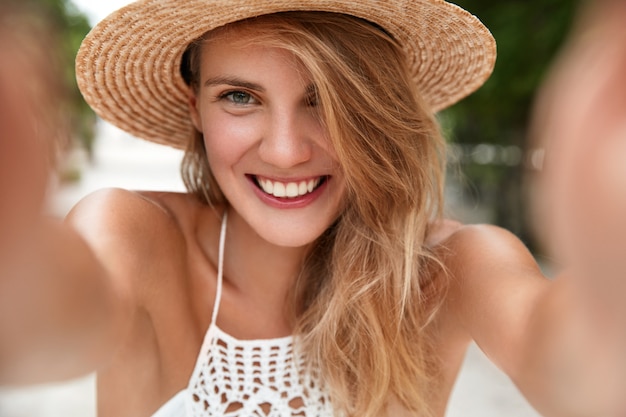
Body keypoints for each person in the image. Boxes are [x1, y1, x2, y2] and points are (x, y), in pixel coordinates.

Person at [0, 1, 624, 417]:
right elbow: (43, 328)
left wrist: (606, 260)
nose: (286, 150)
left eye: (324, 99)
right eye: (240, 96)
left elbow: (576, 366)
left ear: (379, 111)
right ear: (195, 109)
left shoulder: (451, 269)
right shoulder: (137, 237)